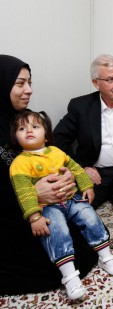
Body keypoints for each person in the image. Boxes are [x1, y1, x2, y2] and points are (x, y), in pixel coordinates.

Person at [0, 54, 97, 295]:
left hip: (45, 208)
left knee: (84, 249)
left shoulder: (26, 119)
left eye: (30, 82)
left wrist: (67, 178)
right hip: (9, 213)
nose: (29, 90)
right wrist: (32, 193)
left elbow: (51, 155)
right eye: (20, 83)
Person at [10, 110, 113, 300]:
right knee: (57, 231)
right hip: (47, 207)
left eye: (35, 126)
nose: (29, 131)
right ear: (16, 136)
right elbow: (23, 192)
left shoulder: (57, 152)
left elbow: (76, 168)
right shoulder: (20, 163)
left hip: (71, 200)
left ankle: (106, 257)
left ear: (46, 135)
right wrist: (34, 217)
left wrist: (87, 186)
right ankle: (70, 277)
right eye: (22, 128)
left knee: (90, 217)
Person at [53, 54, 113, 214]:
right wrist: (80, 168)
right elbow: (57, 140)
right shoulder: (80, 106)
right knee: (76, 205)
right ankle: (105, 192)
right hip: (93, 171)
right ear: (96, 83)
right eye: (111, 79)